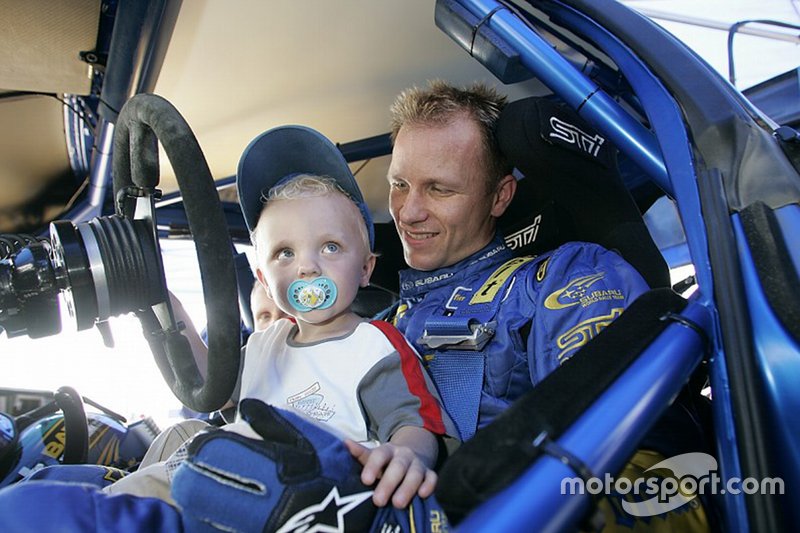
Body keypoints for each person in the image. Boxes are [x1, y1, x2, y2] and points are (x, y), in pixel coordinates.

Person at [385, 80, 709, 531]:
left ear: (500, 196)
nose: (408, 211)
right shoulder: (379, 324)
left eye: (439, 189)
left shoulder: (560, 278)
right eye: (399, 183)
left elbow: (639, 461)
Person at [106, 125, 458, 511]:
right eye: (285, 253)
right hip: (245, 485)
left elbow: (415, 423)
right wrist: (163, 301)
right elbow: (211, 386)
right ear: (264, 280)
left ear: (364, 269)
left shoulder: (373, 344)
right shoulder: (262, 344)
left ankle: (97, 510)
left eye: (330, 246)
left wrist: (407, 455)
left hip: (317, 493)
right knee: (180, 437)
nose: (307, 266)